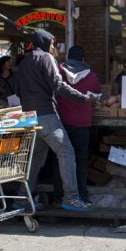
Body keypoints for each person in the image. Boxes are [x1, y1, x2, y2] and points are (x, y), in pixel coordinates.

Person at [16, 29, 95, 211]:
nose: (53, 47)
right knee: (66, 152)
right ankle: (71, 198)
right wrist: (83, 98)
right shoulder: (46, 58)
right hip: (46, 115)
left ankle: (21, 197)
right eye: (51, 43)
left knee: (35, 160)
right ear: (45, 43)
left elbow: (17, 90)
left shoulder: (25, 62)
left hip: (28, 117)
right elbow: (58, 85)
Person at [53, 45, 101, 205]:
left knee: (61, 160)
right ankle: (81, 194)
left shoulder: (59, 72)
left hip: (62, 123)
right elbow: (96, 96)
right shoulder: (92, 75)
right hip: (82, 123)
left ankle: (59, 194)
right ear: (83, 59)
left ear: (68, 57)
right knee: (80, 161)